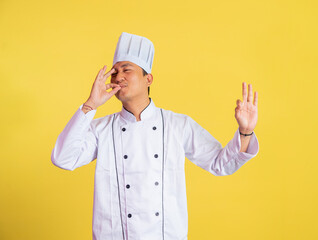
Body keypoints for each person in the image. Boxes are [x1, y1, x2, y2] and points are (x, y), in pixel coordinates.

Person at [51, 32, 259, 240]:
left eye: (126, 70)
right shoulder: (101, 129)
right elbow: (63, 158)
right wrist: (90, 105)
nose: (118, 77)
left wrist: (245, 131)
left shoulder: (178, 125)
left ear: (148, 78)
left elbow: (220, 164)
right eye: (114, 72)